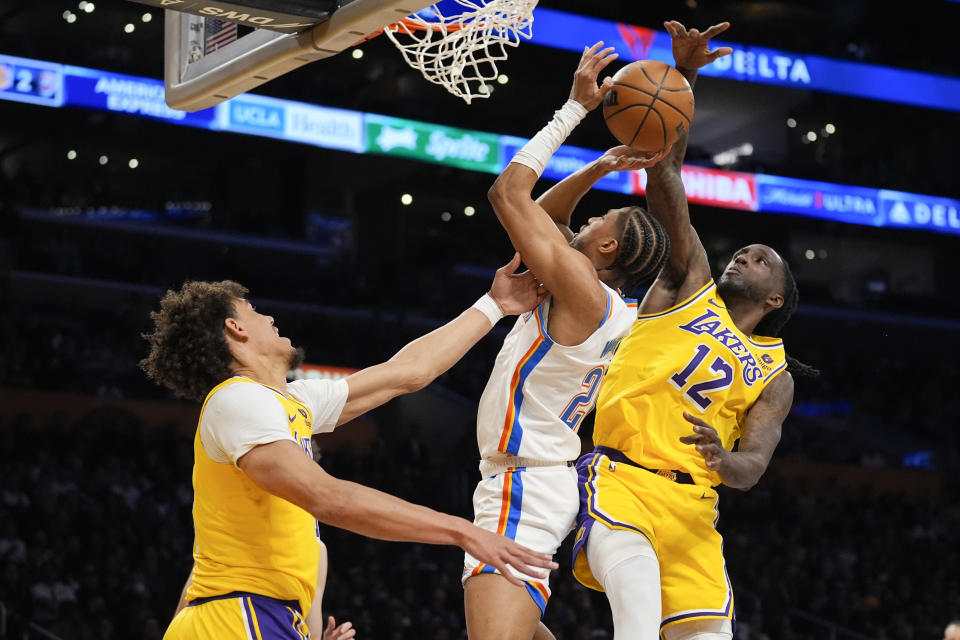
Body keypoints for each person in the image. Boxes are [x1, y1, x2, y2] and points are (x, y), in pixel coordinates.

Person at [139, 254, 559, 640]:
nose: (270, 317)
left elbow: (407, 373)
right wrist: (463, 531)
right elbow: (328, 498)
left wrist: (495, 305)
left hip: (264, 619)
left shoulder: (289, 403)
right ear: (236, 328)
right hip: (234, 619)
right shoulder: (237, 399)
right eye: (255, 312)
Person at [568, 21, 813, 640]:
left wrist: (724, 459)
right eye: (744, 251)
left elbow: (753, 465)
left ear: (776, 296)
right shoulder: (689, 282)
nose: (743, 258)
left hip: (695, 515)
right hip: (621, 481)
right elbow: (668, 175)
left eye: (760, 260)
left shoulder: (775, 375)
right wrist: (685, 76)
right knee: (637, 621)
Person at [462, 43, 672, 640]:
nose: (585, 222)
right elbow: (548, 221)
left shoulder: (582, 293)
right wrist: (600, 168)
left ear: (605, 250)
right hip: (537, 479)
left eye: (598, 220)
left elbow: (509, 196)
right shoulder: (602, 303)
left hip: (524, 483)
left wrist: (572, 111)